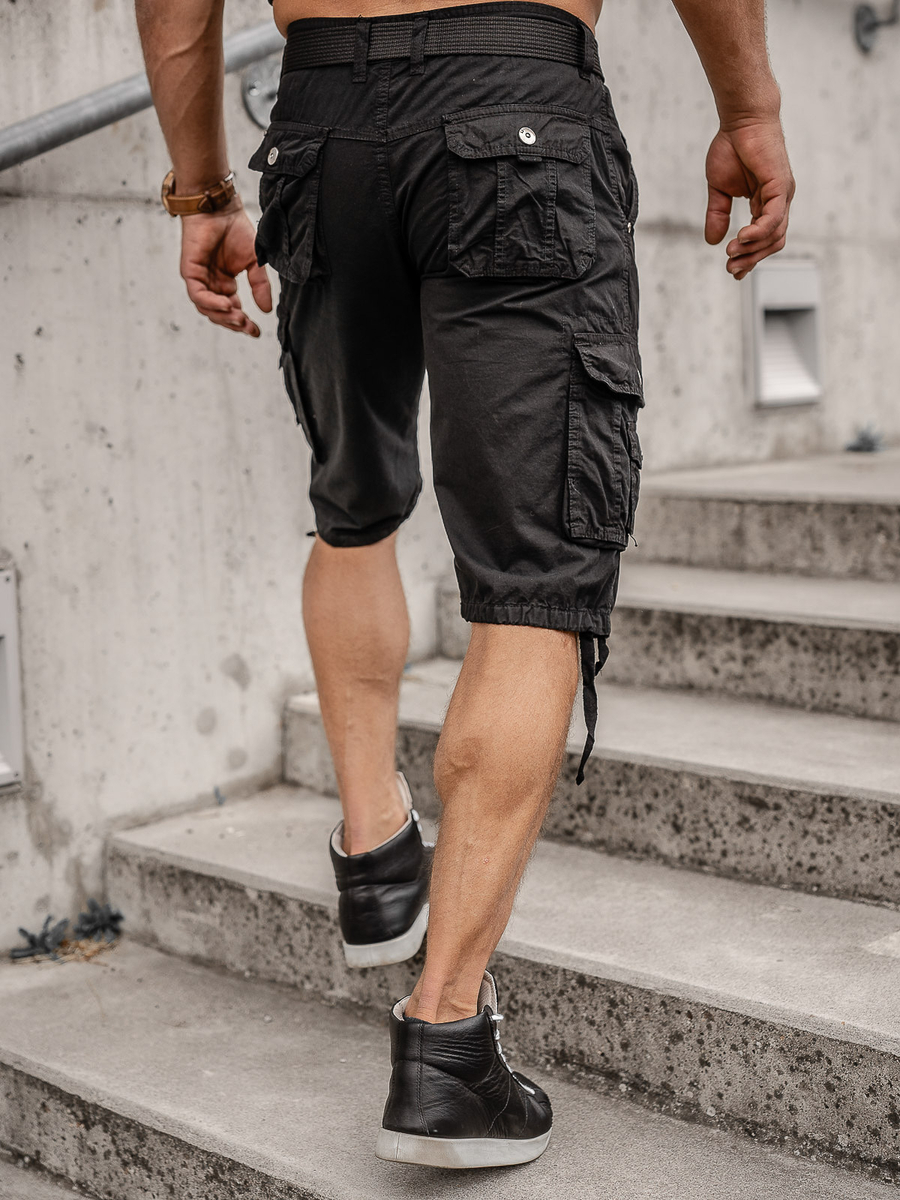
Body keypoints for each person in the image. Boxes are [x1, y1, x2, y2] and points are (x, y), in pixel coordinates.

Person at [136, 0, 793, 1169]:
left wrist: (200, 189)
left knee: (352, 507)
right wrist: (750, 109)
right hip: (517, 103)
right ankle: (446, 1046)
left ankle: (375, 850)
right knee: (533, 579)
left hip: (322, 123)